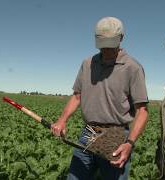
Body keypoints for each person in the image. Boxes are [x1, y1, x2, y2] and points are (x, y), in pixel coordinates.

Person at [51, 17, 149, 180]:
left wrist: (129, 143)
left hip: (115, 135)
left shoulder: (133, 68)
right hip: (88, 132)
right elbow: (77, 96)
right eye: (102, 43)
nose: (106, 49)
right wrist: (62, 120)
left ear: (121, 38)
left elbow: (142, 111)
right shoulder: (88, 63)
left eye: (110, 43)